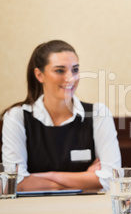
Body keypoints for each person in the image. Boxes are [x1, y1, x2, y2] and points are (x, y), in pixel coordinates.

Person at [1, 40, 122, 191]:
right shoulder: (16, 117)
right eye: (60, 70)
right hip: (35, 211)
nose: (70, 78)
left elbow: (111, 179)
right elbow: (16, 183)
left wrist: (47, 177)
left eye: (75, 70)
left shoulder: (98, 114)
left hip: (86, 211)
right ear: (40, 75)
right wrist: (86, 177)